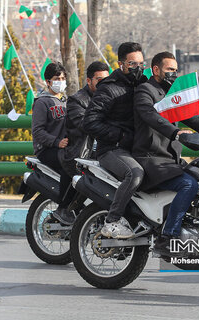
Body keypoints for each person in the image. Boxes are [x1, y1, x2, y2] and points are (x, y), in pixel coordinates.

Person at [132, 52, 199, 256]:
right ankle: (167, 237)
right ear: (156, 70)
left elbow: (195, 120)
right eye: (170, 69)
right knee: (188, 184)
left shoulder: (172, 94)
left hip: (169, 160)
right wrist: (176, 132)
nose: (174, 74)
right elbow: (152, 116)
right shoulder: (144, 91)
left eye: (176, 70)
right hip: (150, 159)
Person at [83, 42, 148, 239]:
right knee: (134, 174)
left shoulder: (144, 85)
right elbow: (90, 122)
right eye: (132, 64)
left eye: (141, 63)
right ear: (121, 64)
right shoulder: (109, 88)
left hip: (136, 147)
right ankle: (112, 221)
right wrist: (119, 136)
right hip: (112, 149)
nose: (138, 68)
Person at [31, 62, 75, 225]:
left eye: (63, 78)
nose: (61, 81)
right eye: (57, 78)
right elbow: (37, 131)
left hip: (66, 148)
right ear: (48, 81)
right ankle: (62, 208)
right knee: (69, 164)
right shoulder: (42, 103)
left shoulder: (66, 101)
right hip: (47, 150)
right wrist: (57, 142)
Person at [60, 61, 110, 177]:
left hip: (106, 152)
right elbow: (86, 125)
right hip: (83, 155)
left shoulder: (110, 97)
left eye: (107, 80)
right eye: (99, 80)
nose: (104, 84)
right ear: (89, 81)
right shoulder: (76, 100)